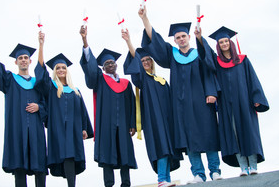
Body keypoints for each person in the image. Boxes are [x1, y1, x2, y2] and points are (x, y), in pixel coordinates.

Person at [138, 6, 223, 183]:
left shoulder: (198, 53)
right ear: (175, 41)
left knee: (208, 134)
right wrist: (145, 19)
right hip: (182, 104)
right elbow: (156, 41)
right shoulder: (172, 55)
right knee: (189, 138)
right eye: (178, 37)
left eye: (184, 36)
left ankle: (215, 170)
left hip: (202, 101)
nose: (181, 39)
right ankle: (198, 173)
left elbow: (210, 68)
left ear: (189, 37)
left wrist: (211, 92)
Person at [0, 32, 47, 187]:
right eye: (20, 58)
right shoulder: (10, 80)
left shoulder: (38, 83)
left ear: (30, 61)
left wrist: (39, 107)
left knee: (40, 167)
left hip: (36, 130)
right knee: (19, 167)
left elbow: (47, 105)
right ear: (16, 62)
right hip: (17, 130)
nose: (23, 60)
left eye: (25, 58)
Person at [204, 26, 269, 176]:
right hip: (227, 105)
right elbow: (206, 53)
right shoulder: (217, 63)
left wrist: (256, 98)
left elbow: (252, 80)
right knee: (234, 134)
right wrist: (200, 38)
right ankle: (243, 168)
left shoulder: (243, 60)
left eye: (226, 41)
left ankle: (253, 166)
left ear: (230, 43)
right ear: (218, 45)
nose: (224, 44)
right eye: (221, 42)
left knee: (248, 133)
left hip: (245, 102)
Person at [122, 29, 182, 187]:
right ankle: (162, 179)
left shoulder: (161, 80)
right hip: (153, 121)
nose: (146, 62)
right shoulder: (142, 80)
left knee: (168, 148)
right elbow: (135, 63)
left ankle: (166, 180)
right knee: (161, 147)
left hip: (168, 120)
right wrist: (129, 42)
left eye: (148, 60)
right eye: (143, 61)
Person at [79, 26, 137, 187]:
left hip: (124, 124)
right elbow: (90, 70)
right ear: (102, 68)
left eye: (112, 62)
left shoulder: (126, 83)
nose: (110, 64)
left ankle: (126, 183)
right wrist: (85, 41)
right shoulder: (100, 80)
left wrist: (133, 124)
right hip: (106, 125)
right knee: (107, 155)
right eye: (106, 63)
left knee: (124, 153)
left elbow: (132, 105)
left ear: (116, 65)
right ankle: (109, 184)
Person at [34, 32, 93, 187]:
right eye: (58, 68)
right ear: (54, 71)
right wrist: (41, 45)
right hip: (58, 128)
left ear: (67, 70)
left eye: (63, 67)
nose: (61, 70)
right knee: (66, 156)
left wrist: (84, 128)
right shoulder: (51, 87)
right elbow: (40, 72)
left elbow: (82, 111)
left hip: (74, 129)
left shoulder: (76, 91)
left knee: (72, 158)